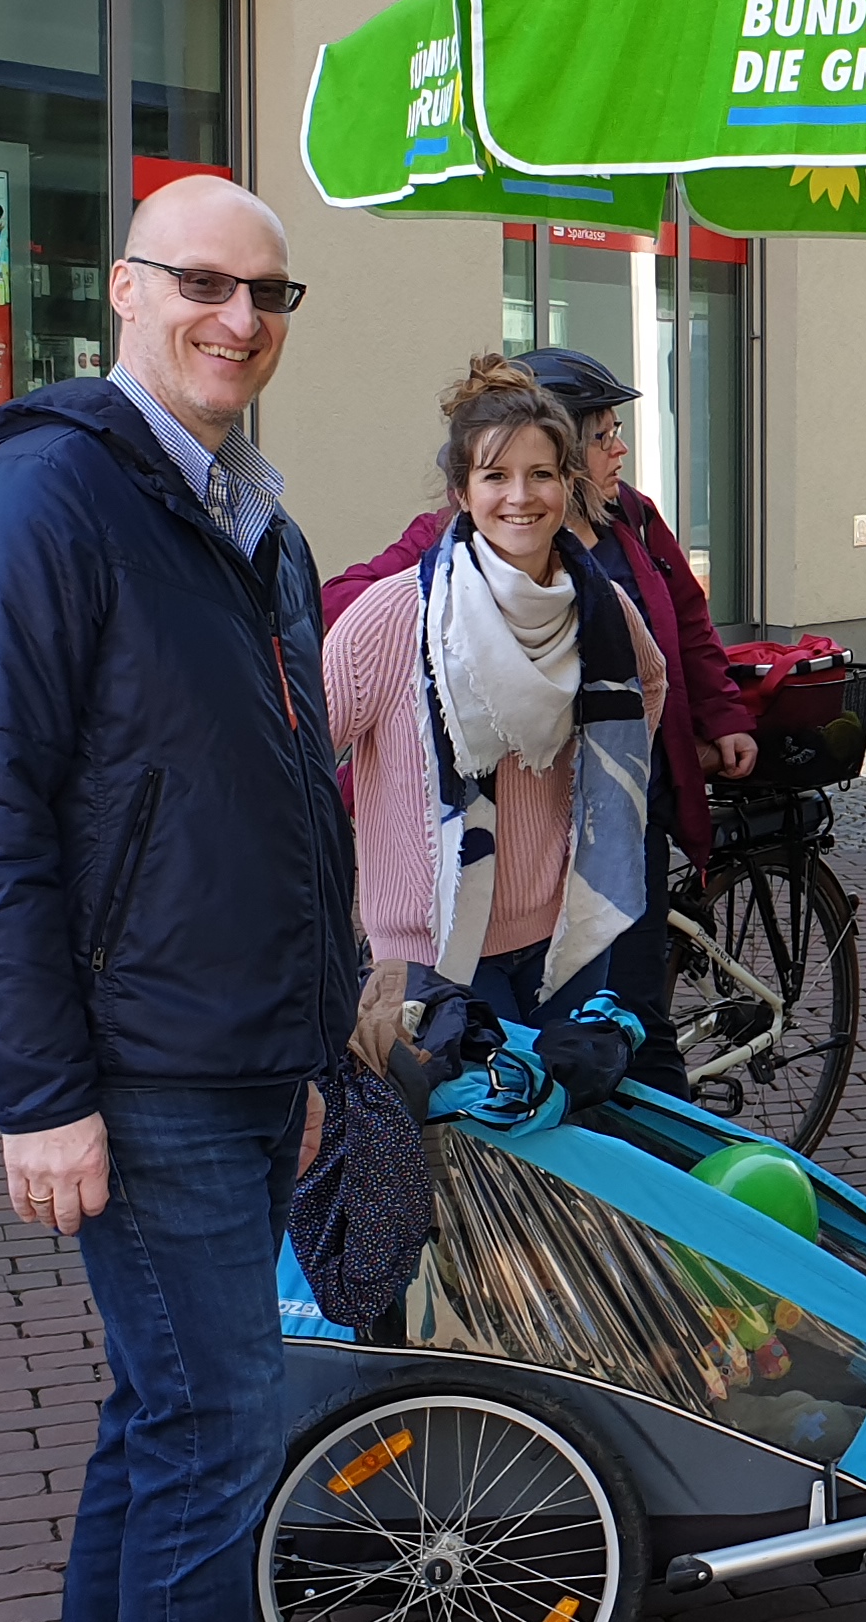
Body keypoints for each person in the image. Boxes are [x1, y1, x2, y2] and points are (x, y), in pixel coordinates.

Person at [0, 174, 353, 1622]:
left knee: (170, 1417)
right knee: (218, 1430)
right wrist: (39, 1098)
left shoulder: (253, 518)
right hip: (146, 1065)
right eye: (202, 283)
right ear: (123, 288)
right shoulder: (42, 503)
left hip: (242, 1056)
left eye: (267, 293)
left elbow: (290, 802)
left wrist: (310, 1049)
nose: (239, 318)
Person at [324, 348, 756, 1093]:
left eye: (541, 475)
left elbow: (647, 692)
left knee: (570, 1142)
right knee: (472, 1156)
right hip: (432, 955)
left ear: (567, 484)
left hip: (565, 941)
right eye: (495, 476)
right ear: (460, 491)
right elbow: (295, 762)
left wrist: (587, 801)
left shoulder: (599, 609)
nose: (520, 497)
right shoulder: (394, 617)